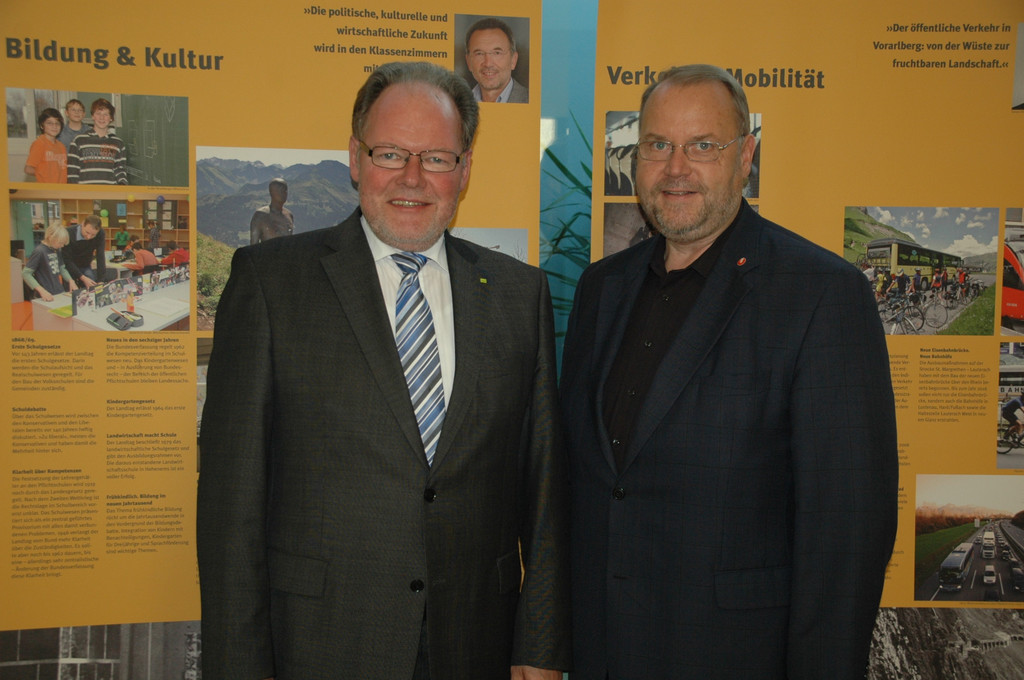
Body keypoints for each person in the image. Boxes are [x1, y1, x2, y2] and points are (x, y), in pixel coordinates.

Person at [197, 61, 569, 680]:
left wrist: (541, 643)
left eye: (437, 158)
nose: (412, 178)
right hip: (320, 647)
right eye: (391, 153)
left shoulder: (517, 294)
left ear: (465, 169)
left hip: (477, 644)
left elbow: (545, 486)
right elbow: (230, 509)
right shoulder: (270, 284)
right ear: (355, 157)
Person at [560, 64, 897, 679]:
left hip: (734, 656)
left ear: (746, 156)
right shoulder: (600, 288)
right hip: (600, 651)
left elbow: (846, 531)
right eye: (658, 145)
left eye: (703, 146)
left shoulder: (822, 294)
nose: (676, 168)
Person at [464, 17, 528, 103]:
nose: (488, 63)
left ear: (513, 60)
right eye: (479, 53)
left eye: (497, 53)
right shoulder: (457, 104)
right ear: (468, 62)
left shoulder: (534, 101)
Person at [67, 98, 127, 184]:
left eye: (106, 114)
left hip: (109, 191)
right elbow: (72, 173)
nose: (102, 118)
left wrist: (122, 186)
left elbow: (120, 170)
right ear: (92, 116)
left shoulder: (118, 143)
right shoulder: (79, 141)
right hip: (86, 191)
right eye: (98, 113)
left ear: (111, 118)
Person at [23, 223, 78, 301]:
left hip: (58, 291)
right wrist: (42, 291)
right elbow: (25, 273)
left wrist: (71, 280)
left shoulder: (56, 250)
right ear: (50, 237)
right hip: (45, 295)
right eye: (60, 242)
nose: (62, 246)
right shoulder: (39, 251)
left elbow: (62, 268)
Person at [62, 214, 106, 288]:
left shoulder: (100, 233)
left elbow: (100, 256)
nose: (88, 237)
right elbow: (67, 260)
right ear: (82, 224)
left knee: (92, 288)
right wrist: (82, 277)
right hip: (69, 267)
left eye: (93, 235)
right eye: (87, 232)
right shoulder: (68, 233)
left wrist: (101, 280)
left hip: (85, 265)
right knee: (71, 291)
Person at [24, 108, 67, 183]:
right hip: (46, 187)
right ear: (42, 125)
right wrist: (44, 175)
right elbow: (28, 169)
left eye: (57, 123)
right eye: (49, 123)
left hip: (61, 188)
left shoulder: (61, 146)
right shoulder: (39, 144)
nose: (54, 126)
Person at [249, 178, 295, 244]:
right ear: (272, 192)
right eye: (280, 190)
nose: (284, 193)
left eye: (285, 190)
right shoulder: (260, 215)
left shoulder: (289, 215)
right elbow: (253, 245)